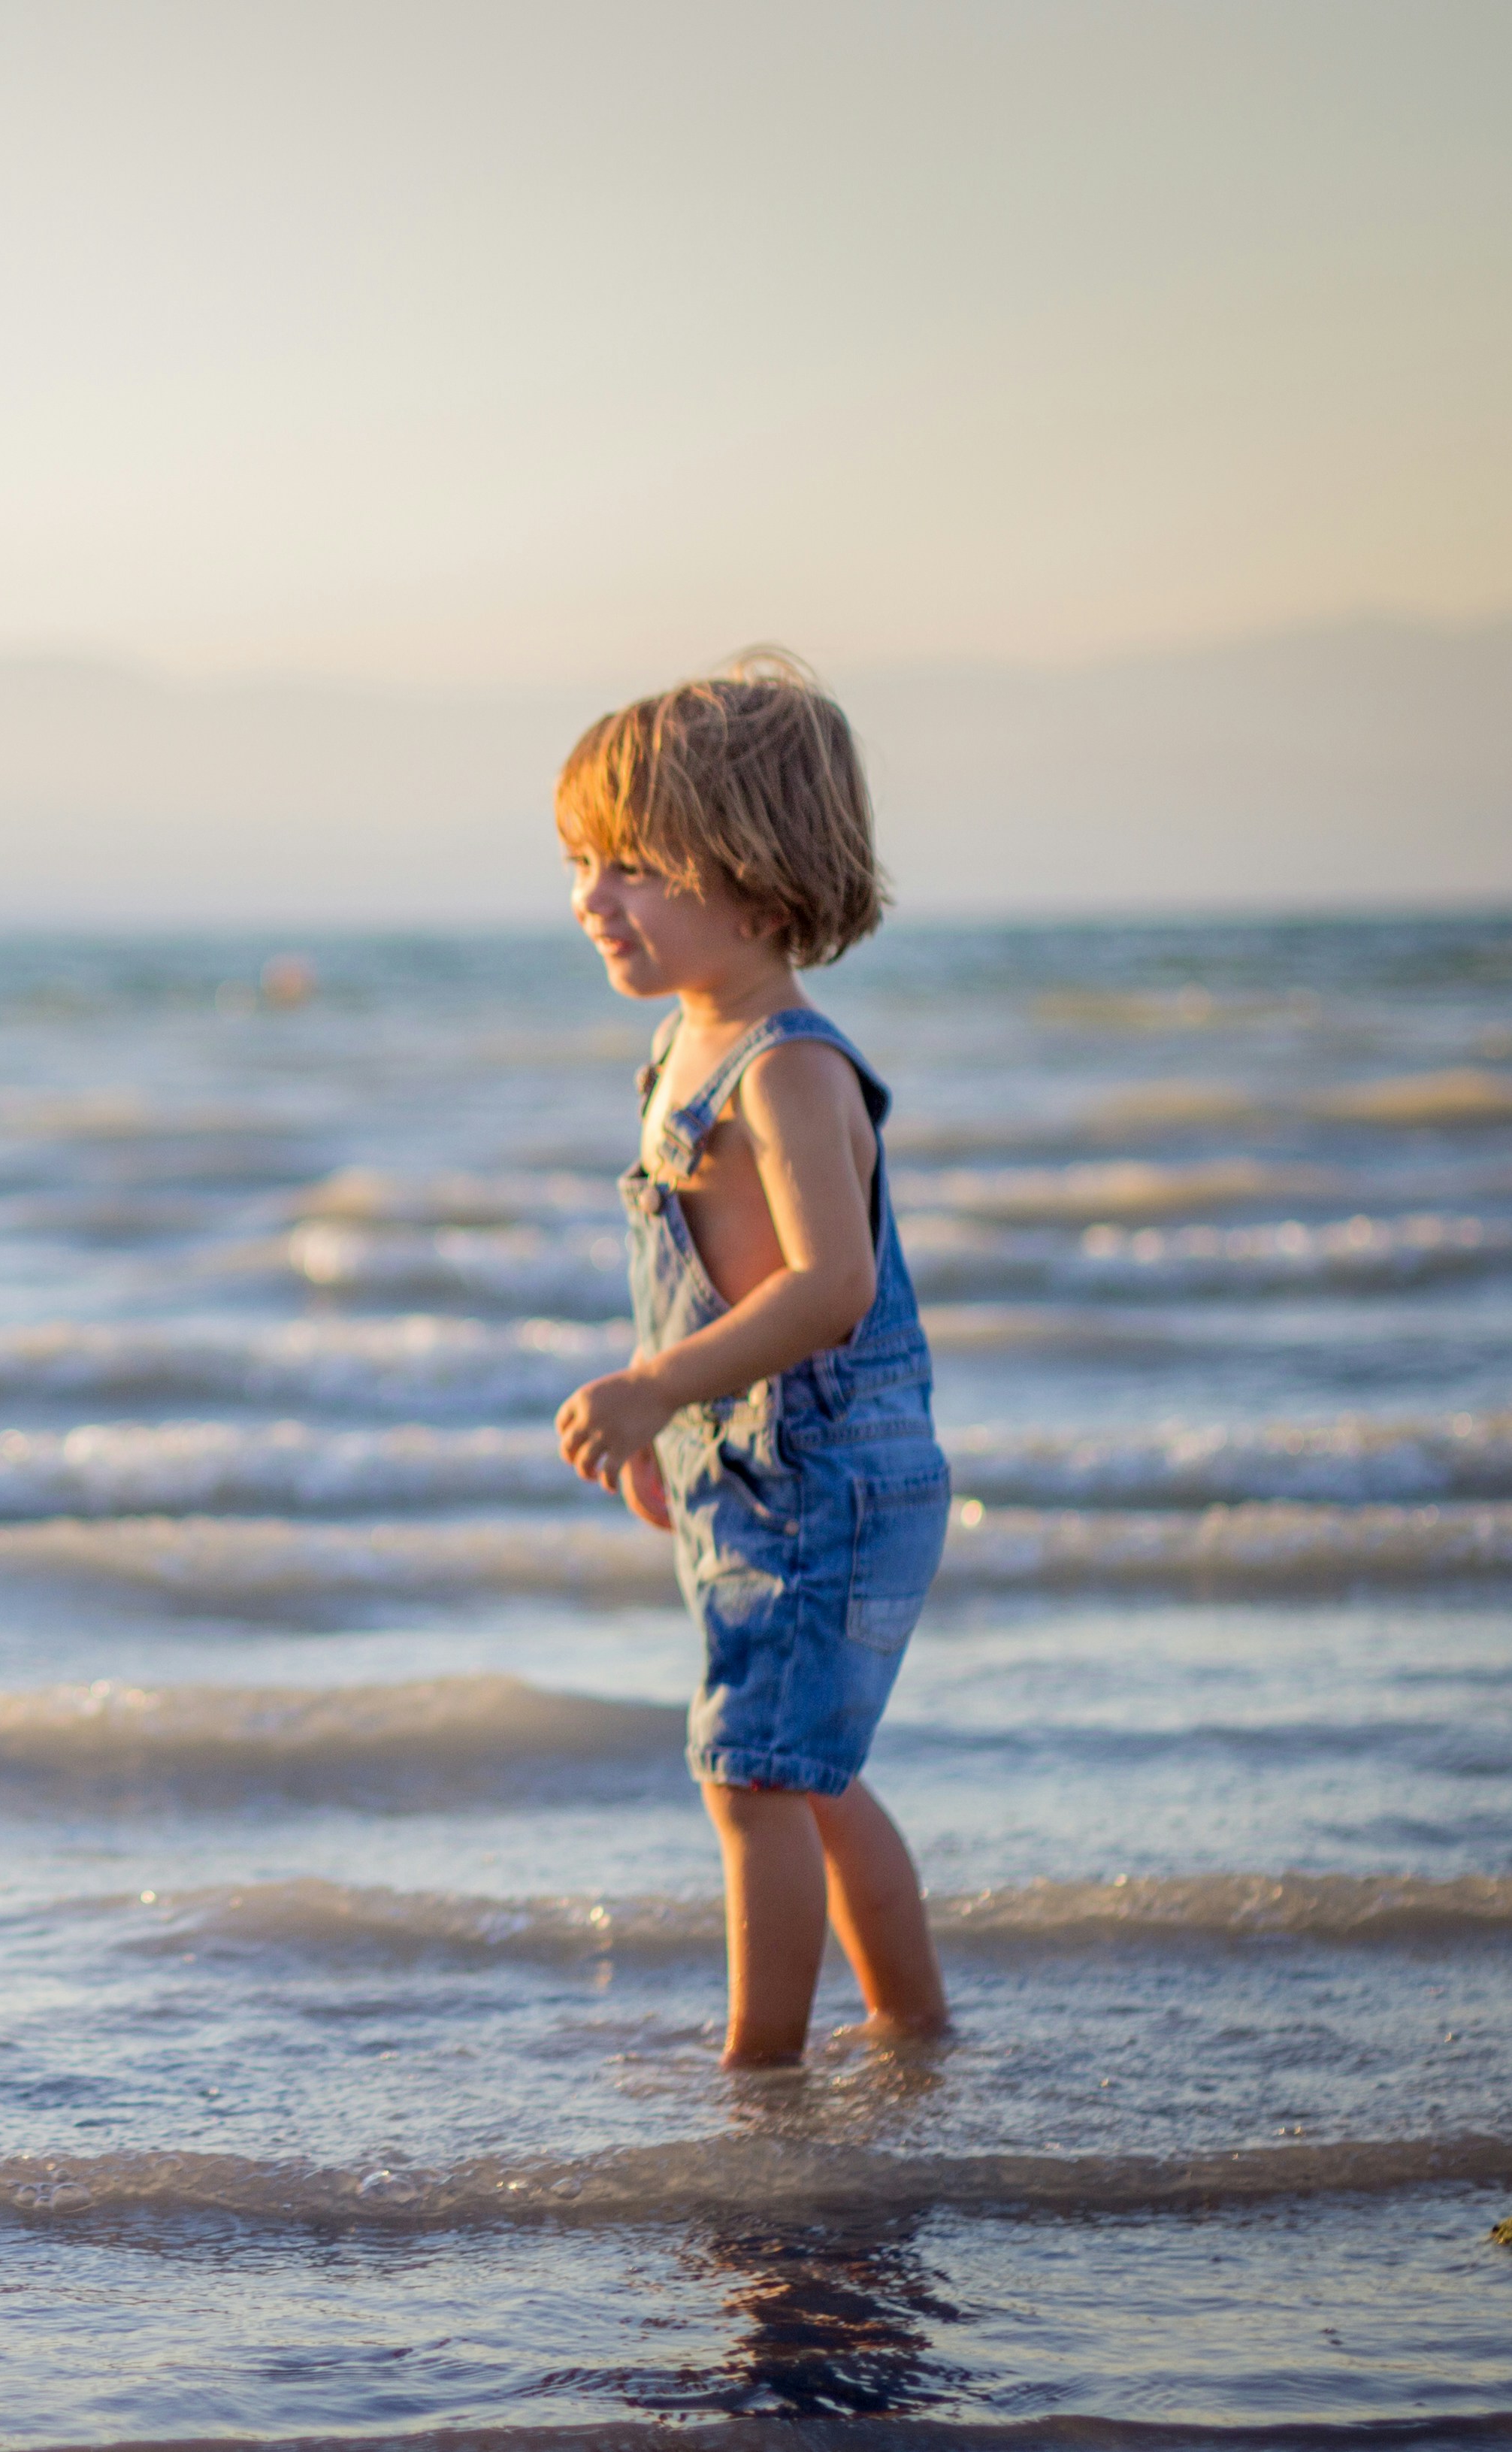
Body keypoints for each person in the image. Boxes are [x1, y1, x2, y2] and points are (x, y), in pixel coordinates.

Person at [546, 650, 954, 2069]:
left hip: (823, 1473)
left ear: (759, 882)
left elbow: (829, 1288)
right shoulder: (678, 1046)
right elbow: (701, 1284)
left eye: (635, 866)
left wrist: (661, 1388)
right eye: (581, 862)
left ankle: (760, 2072)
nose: (593, 897)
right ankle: (910, 2031)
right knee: (806, 1775)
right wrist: (672, 1427)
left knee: (752, 1781)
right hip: (754, 1469)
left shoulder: (783, 1066)